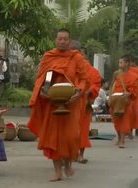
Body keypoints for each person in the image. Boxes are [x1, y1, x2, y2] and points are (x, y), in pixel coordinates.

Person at [27, 29, 87, 181]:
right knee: (53, 137)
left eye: (65, 39)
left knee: (71, 136)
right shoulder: (49, 57)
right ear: (55, 40)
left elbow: (82, 78)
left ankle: (68, 164)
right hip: (52, 103)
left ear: (70, 41)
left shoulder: (76, 57)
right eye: (60, 39)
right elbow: (44, 78)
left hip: (70, 103)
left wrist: (78, 92)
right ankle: (57, 171)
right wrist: (43, 91)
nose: (62, 41)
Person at [70, 41, 101, 164]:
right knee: (67, 131)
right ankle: (67, 154)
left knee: (82, 130)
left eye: (80, 54)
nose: (77, 56)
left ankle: (80, 155)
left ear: (85, 56)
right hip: (69, 103)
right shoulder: (67, 68)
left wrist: (88, 92)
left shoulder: (92, 71)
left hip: (84, 103)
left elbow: (96, 86)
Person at [109, 55, 138, 148]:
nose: (119, 64)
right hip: (115, 99)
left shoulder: (134, 76)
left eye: (121, 62)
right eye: (119, 62)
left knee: (124, 120)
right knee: (116, 120)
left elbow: (135, 89)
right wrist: (110, 96)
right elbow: (111, 85)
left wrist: (129, 94)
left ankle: (122, 140)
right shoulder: (116, 73)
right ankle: (119, 138)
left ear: (127, 64)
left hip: (125, 100)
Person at [128, 55, 138, 138]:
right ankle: (129, 131)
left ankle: (136, 131)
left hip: (137, 95)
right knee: (129, 113)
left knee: (137, 114)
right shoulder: (127, 70)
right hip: (129, 95)